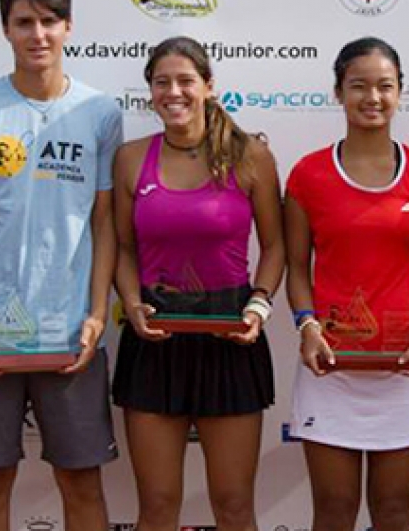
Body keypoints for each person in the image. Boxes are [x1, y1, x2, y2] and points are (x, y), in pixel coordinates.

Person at [0, 0, 123, 531]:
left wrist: (97, 314)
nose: (37, 34)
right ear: (5, 30)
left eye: (49, 21)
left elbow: (105, 223)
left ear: (69, 26)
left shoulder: (100, 113)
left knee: (81, 482)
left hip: (68, 334)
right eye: (24, 22)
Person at [111, 36, 284, 531]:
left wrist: (259, 307)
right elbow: (124, 249)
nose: (174, 92)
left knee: (232, 507)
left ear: (209, 86)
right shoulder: (130, 159)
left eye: (186, 80)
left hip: (230, 337)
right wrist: (130, 302)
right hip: (154, 338)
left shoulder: (251, 156)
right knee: (158, 507)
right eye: (162, 82)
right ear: (149, 91)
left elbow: (274, 248)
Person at [284, 37, 409, 531]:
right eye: (359, 86)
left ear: (401, 92)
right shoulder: (308, 175)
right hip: (329, 371)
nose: (372, 98)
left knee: (395, 513)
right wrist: (306, 326)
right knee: (334, 513)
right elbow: (296, 266)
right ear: (338, 92)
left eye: (385, 86)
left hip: (402, 372)